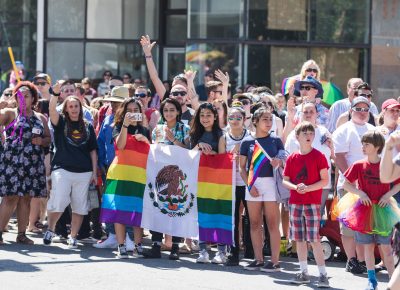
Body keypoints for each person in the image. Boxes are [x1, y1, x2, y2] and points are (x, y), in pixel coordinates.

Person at [342, 131, 399, 290]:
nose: (363, 146)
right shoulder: (359, 165)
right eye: (363, 143)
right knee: (368, 247)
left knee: (386, 247)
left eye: (367, 144)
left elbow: (398, 183)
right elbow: (346, 184)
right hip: (364, 211)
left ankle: (392, 280)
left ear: (378, 146)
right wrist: (360, 193)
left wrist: (387, 195)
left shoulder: (387, 165)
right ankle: (372, 280)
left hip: (383, 210)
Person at [43, 91, 98, 249]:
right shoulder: (60, 123)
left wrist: (94, 172)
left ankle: (73, 237)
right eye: (70, 106)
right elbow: (52, 110)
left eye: (76, 106)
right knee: (59, 200)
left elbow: (92, 151)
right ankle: (51, 229)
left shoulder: (88, 126)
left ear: (80, 108)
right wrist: (54, 94)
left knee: (80, 206)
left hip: (84, 172)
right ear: (66, 109)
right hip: (62, 169)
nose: (74, 109)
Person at [0, 82, 50, 245]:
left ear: (33, 98)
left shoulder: (40, 117)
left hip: (32, 163)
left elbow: (49, 139)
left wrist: (41, 140)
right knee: (10, 197)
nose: (22, 99)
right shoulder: (9, 113)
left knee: (26, 199)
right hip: (12, 163)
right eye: (19, 96)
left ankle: (21, 234)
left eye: (26, 96)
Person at [282, 121, 330, 287]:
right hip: (296, 203)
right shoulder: (292, 158)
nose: (309, 136)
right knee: (300, 240)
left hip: (312, 203)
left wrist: (308, 188)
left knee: (314, 239)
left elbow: (325, 180)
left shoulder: (319, 156)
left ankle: (323, 274)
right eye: (305, 133)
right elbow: (285, 180)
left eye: (311, 133)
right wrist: (296, 187)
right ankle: (303, 272)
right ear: (297, 137)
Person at [332, 96, 375, 274]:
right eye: (359, 109)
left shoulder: (374, 130)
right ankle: (351, 259)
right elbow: (339, 157)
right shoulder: (344, 130)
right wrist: (354, 179)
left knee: (365, 226)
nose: (363, 112)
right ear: (351, 110)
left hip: (371, 185)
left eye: (366, 109)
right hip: (349, 185)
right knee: (349, 226)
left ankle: (363, 260)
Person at [143, 98, 190, 260]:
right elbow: (155, 150)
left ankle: (175, 247)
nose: (168, 113)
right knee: (158, 207)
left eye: (172, 110)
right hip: (160, 174)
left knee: (176, 209)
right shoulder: (158, 128)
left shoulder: (185, 128)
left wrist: (173, 140)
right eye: (165, 110)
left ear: (178, 111)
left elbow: (189, 152)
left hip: (178, 176)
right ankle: (156, 244)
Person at [239, 107, 284, 272]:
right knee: (255, 223)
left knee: (272, 223)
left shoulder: (276, 140)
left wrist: (278, 161)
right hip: (253, 185)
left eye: (270, 119)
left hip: (271, 183)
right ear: (255, 122)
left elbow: (283, 157)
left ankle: (275, 261)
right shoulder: (246, 142)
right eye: (265, 119)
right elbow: (241, 168)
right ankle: (258, 259)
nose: (268, 122)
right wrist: (250, 186)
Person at [112, 98, 150, 258]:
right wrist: (126, 125)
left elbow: (152, 152)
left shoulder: (145, 129)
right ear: (124, 112)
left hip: (140, 175)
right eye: (130, 110)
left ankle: (138, 245)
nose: (133, 113)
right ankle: (121, 246)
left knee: (138, 211)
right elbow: (119, 145)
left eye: (136, 110)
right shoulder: (118, 127)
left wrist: (146, 140)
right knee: (119, 210)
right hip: (121, 173)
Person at [189, 102, 225, 263]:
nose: (205, 118)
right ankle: (203, 250)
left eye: (208, 115)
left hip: (217, 181)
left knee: (218, 215)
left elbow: (224, 159)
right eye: (202, 115)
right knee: (201, 215)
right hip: (199, 179)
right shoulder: (194, 135)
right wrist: (198, 147)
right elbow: (188, 157)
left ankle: (222, 252)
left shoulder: (221, 135)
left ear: (215, 116)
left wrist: (213, 153)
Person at [219, 106, 250, 265]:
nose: (235, 120)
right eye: (232, 117)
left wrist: (242, 158)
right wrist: (233, 157)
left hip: (248, 183)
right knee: (233, 218)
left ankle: (251, 252)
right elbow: (221, 163)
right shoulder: (224, 138)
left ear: (244, 119)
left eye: (239, 117)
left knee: (252, 218)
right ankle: (234, 252)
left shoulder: (250, 137)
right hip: (231, 184)